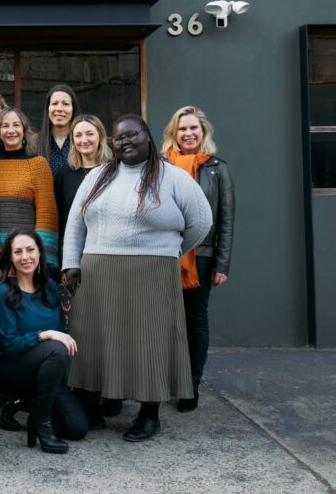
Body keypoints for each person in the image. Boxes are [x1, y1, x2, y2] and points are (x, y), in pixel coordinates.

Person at [62, 114, 212, 442]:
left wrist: (169, 250)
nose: (126, 141)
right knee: (97, 340)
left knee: (149, 342)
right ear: (112, 143)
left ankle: (149, 413)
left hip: (152, 272)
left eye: (133, 134)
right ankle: (96, 404)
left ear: (147, 135)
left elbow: (201, 221)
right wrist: (71, 263)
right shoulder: (98, 176)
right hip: (98, 270)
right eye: (119, 137)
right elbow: (75, 222)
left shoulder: (173, 177)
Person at [0, 230, 88, 453]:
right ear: (10, 257)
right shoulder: (1, 294)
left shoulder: (50, 289)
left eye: (30, 250)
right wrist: (44, 334)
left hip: (46, 367)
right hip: (9, 369)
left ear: (40, 253)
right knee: (56, 348)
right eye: (18, 252)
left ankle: (25, 405)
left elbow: (60, 333)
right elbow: (10, 346)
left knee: (76, 428)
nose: (25, 257)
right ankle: (43, 423)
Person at [161, 106, 235, 412]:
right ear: (173, 133)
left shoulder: (218, 169)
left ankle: (191, 384)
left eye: (194, 128)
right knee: (165, 321)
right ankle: (166, 380)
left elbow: (226, 219)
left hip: (201, 258)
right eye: (182, 128)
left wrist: (222, 264)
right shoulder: (162, 167)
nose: (188, 133)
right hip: (164, 254)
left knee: (195, 319)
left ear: (203, 132)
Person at [0, 107, 59, 286]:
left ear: (24, 130)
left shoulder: (38, 165)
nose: (11, 130)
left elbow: (47, 215)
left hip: (27, 257)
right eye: (5, 126)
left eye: (16, 125)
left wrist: (44, 258)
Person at [55, 114, 113, 244]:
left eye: (90, 134)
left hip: (107, 245)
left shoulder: (114, 171)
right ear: (73, 140)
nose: (84, 140)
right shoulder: (64, 174)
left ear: (100, 136)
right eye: (78, 135)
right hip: (72, 246)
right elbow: (59, 216)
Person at [35, 85, 81, 176]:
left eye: (65, 104)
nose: (59, 109)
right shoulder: (34, 143)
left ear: (73, 109)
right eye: (54, 103)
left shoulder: (83, 142)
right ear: (48, 108)